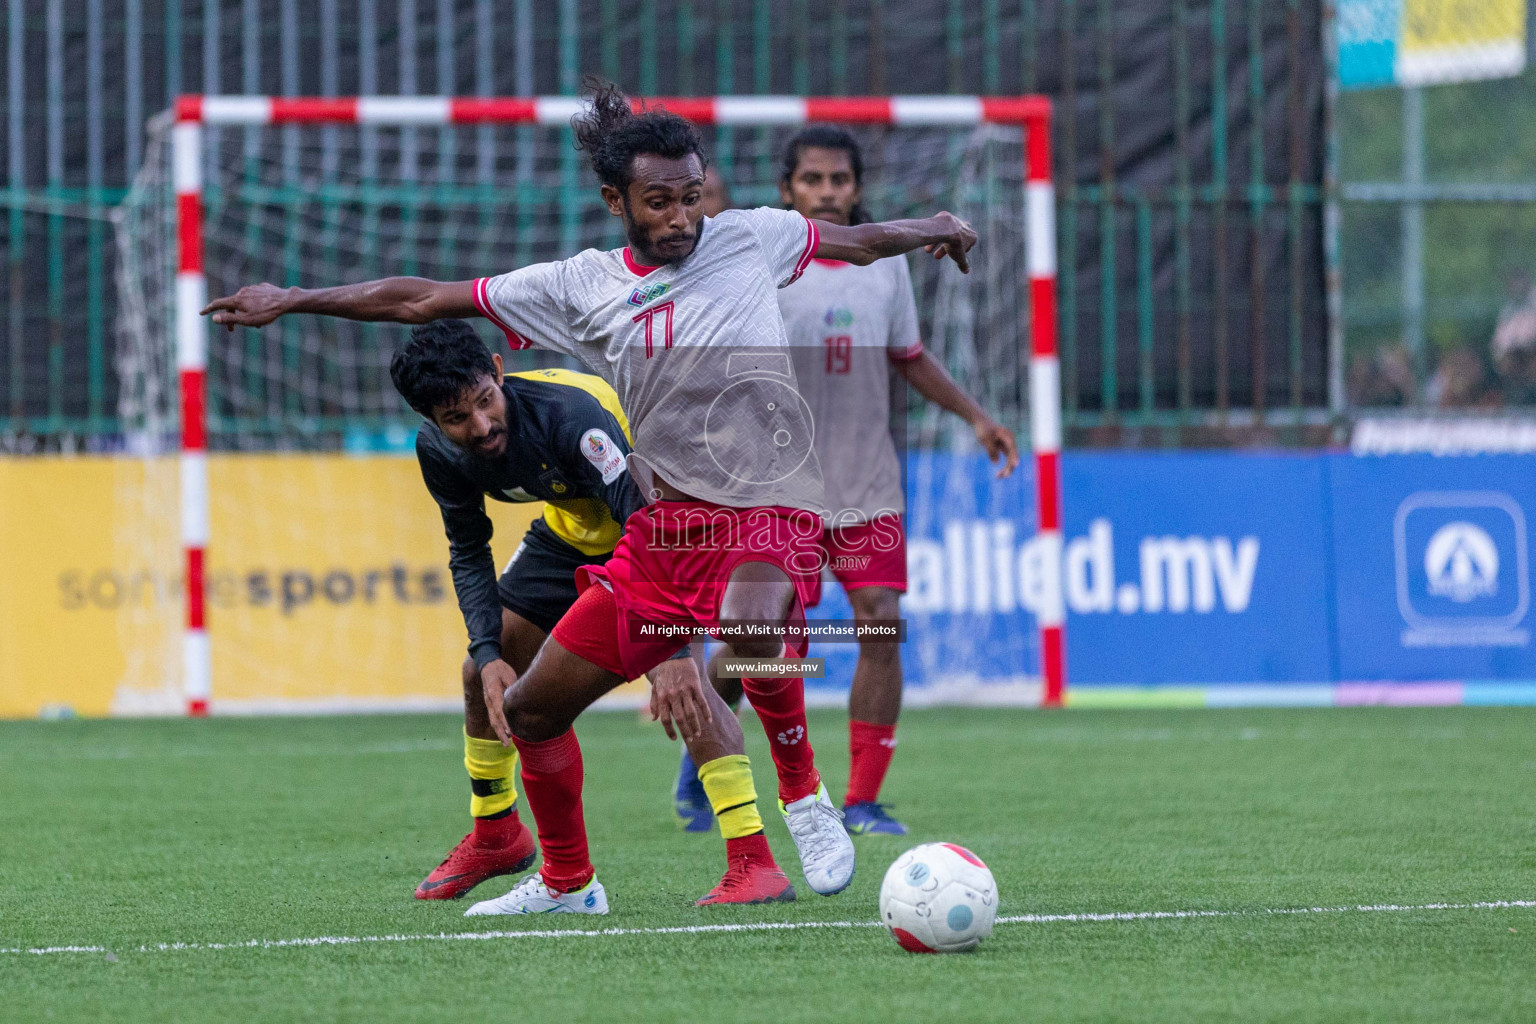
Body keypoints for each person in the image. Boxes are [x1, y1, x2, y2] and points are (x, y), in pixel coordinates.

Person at [202, 77, 978, 915]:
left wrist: (932, 229)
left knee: (753, 624)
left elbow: (853, 241)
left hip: (775, 496)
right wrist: (294, 299)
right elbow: (423, 297)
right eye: (660, 203)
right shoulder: (579, 286)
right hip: (665, 528)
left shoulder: (751, 237)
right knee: (529, 712)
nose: (683, 218)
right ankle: (569, 883)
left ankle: (805, 798)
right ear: (617, 200)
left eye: (690, 196)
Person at [673, 126, 1019, 836]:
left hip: (866, 484)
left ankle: (861, 799)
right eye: (812, 181)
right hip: (776, 488)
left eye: (838, 181)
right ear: (787, 190)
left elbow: (910, 355)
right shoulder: (759, 262)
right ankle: (710, 747)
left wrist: (976, 417)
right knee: (756, 639)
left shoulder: (886, 266)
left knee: (881, 628)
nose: (826, 193)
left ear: (857, 188)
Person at [392, 318, 793, 906]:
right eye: (456, 419)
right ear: (431, 422)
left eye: (485, 401)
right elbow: (468, 549)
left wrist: (674, 650)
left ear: (500, 372)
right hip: (573, 534)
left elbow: (643, 520)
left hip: (661, 527)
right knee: (482, 670)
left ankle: (754, 863)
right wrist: (487, 652)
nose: (480, 426)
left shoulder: (572, 419)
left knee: (682, 684)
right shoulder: (439, 453)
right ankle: (497, 833)